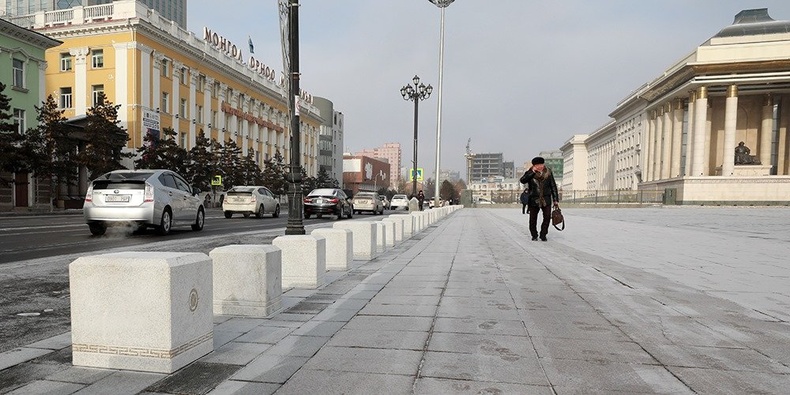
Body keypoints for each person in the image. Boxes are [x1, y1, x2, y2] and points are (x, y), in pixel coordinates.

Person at [520, 156, 559, 241]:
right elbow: (522, 180)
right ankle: (534, 235)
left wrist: (555, 199)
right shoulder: (530, 172)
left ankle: (543, 234)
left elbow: (553, 186)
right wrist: (532, 172)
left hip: (546, 199)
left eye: (541, 164)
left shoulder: (548, 172)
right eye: (537, 165)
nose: (540, 166)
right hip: (534, 199)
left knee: (547, 217)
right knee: (533, 219)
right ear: (534, 166)